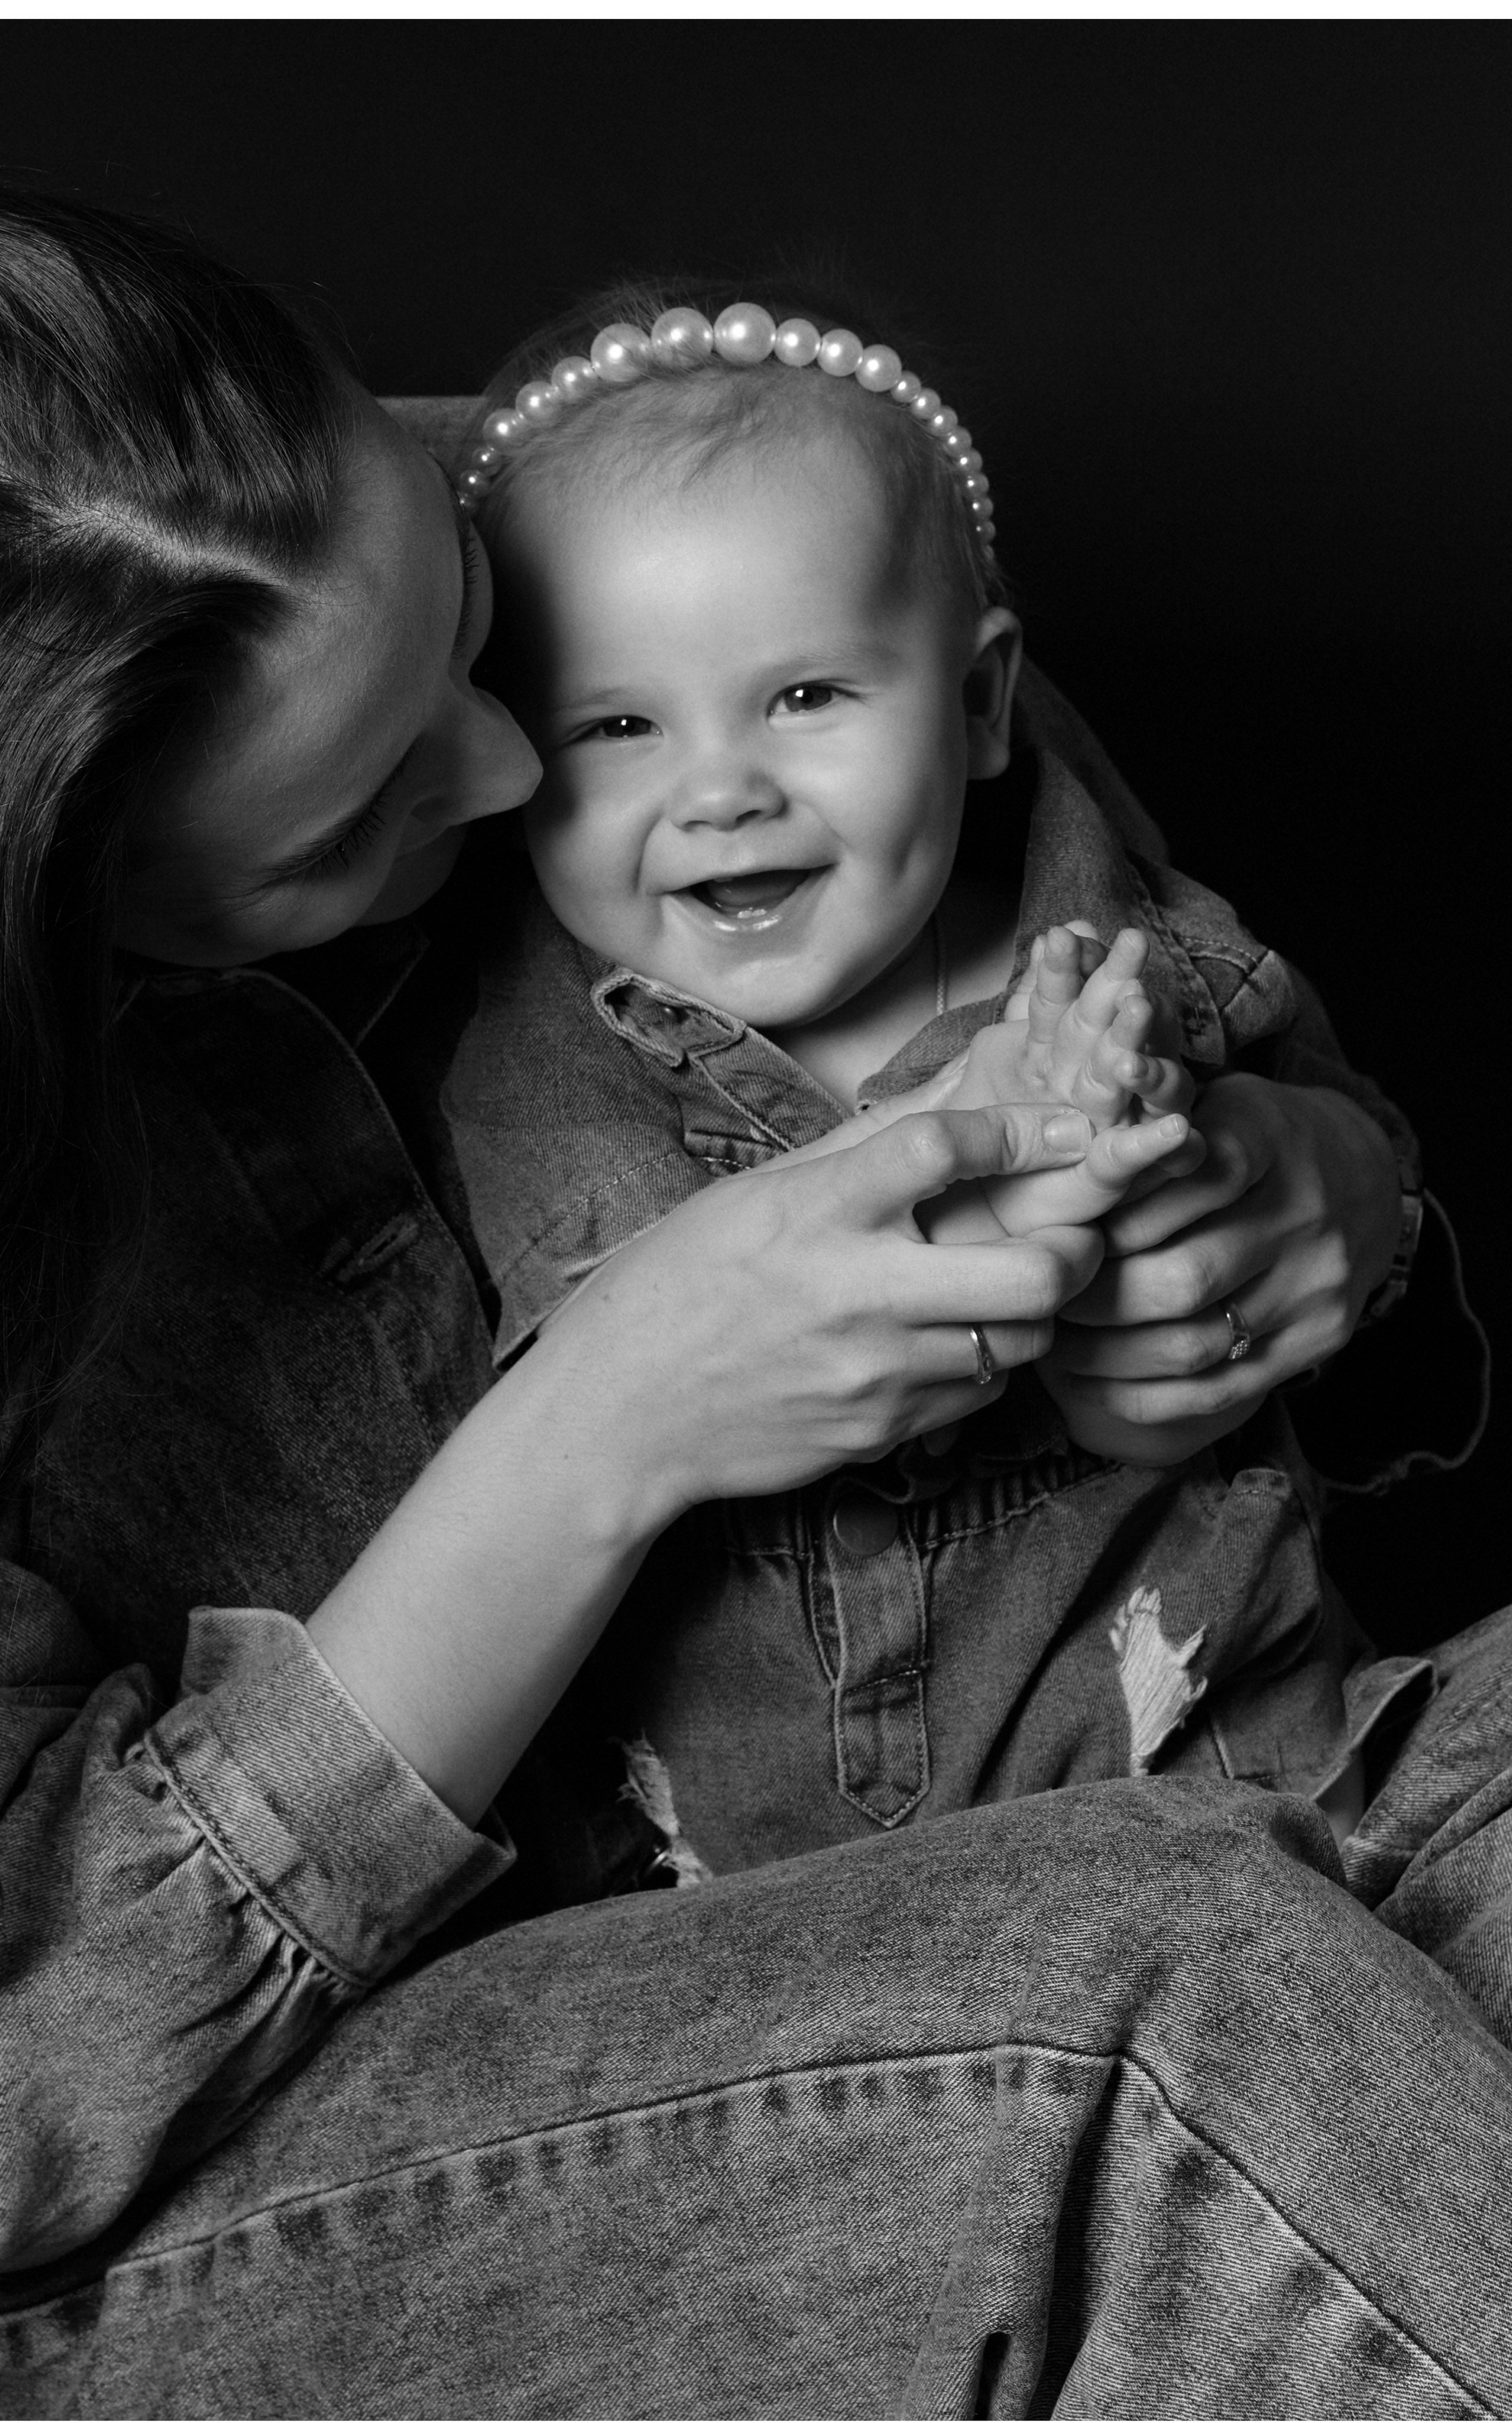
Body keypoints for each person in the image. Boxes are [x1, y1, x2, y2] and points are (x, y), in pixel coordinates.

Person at [0, 183, 1512, 2419]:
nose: (511, 764)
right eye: (353, 824)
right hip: (209, 2189)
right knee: (1170, 1992)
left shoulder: (656, 522)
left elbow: (1117, 959)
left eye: (470, 618)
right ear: (62, 964)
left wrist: (1325, 1200)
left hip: (1046, 1840)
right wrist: (606, 1426)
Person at [443, 281, 1408, 1875]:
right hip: (744, 1912)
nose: (722, 790)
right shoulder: (504, 1068)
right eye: (616, 724)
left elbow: (1331, 1244)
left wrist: (1137, 1139)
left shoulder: (1137, 964)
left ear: (974, 703)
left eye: (804, 695)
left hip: (1229, 1796)